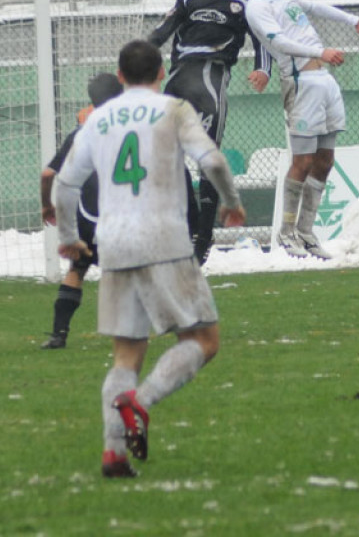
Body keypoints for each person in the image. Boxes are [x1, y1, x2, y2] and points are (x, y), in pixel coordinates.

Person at [54, 39, 246, 478]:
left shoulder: (98, 118)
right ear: (161, 73)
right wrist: (231, 202)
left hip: (114, 242)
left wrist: (68, 238)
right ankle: (140, 401)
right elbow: (213, 161)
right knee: (204, 340)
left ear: (120, 76)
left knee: (126, 355)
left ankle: (113, 453)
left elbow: (64, 184)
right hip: (164, 238)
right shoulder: (174, 109)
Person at [240, 0, 359, 260]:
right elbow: (279, 42)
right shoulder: (256, 8)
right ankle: (286, 231)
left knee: (325, 160)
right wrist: (320, 51)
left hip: (324, 80)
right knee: (303, 161)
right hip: (300, 83)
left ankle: (306, 232)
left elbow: (316, 7)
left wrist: (355, 21)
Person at [147, 0, 270, 265]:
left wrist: (263, 69)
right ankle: (190, 226)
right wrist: (138, 57)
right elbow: (162, 31)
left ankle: (203, 238)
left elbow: (262, 40)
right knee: (166, 155)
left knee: (207, 157)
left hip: (211, 78)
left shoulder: (245, 3)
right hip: (177, 78)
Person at [39, 72, 124, 349]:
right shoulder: (135, 129)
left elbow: (47, 174)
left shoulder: (81, 133)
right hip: (125, 215)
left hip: (88, 215)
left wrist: (46, 204)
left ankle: (58, 334)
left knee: (77, 268)